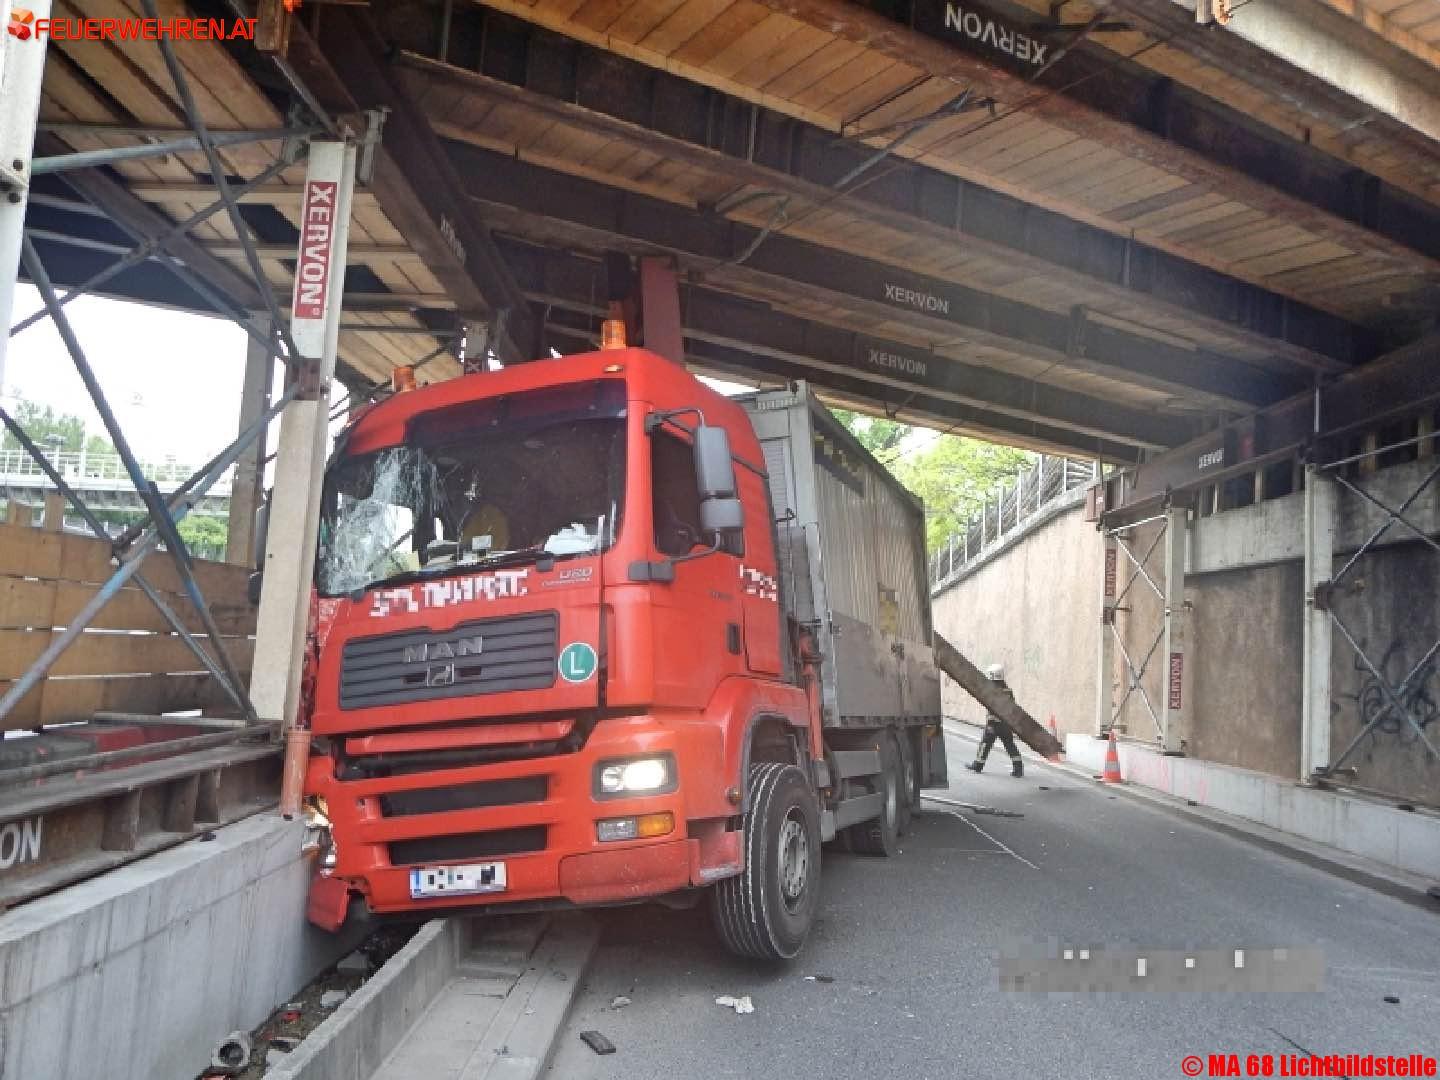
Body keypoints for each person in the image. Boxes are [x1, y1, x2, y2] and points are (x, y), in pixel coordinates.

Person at [967, 663, 1024, 778]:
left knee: (985, 745)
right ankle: (1018, 769)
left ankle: (978, 765)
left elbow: (990, 706)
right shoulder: (1008, 691)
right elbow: (1011, 707)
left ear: (993, 676)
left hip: (993, 724)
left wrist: (990, 724)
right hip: (1006, 724)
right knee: (1010, 745)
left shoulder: (991, 690)